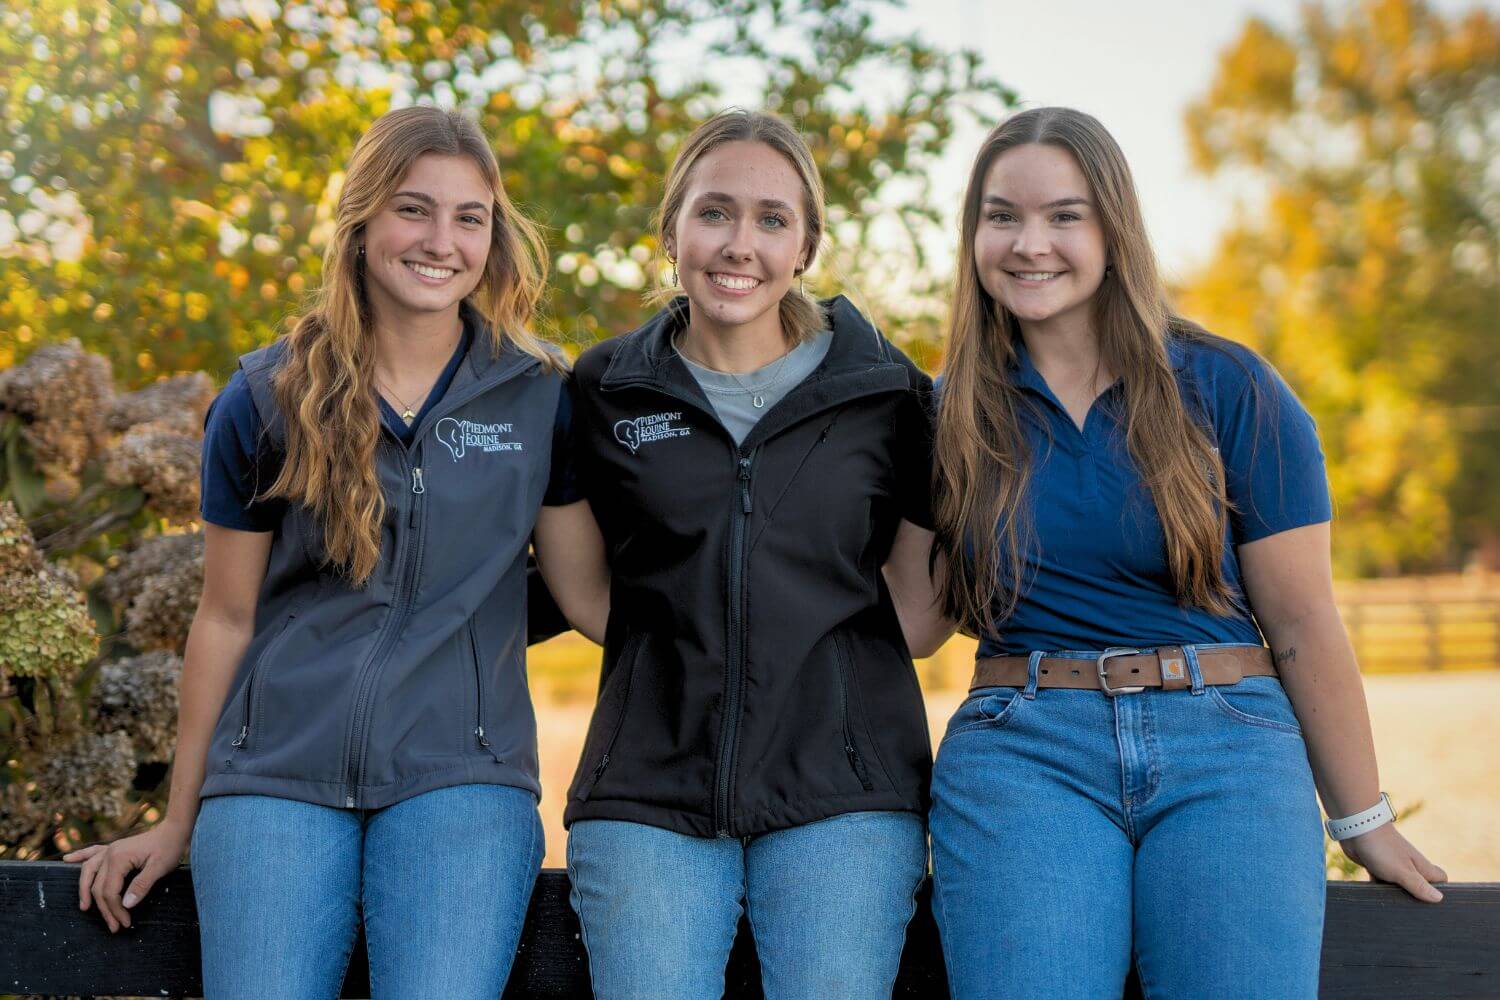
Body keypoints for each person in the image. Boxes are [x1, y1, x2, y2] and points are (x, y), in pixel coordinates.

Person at [898, 106, 1447, 1000]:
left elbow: (1302, 620)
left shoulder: (1231, 386)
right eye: (1002, 217)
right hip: (1022, 755)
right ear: (974, 235)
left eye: (1064, 216)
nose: (1030, 244)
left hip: (1227, 746)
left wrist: (1362, 819)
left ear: (1115, 228)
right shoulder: (942, 410)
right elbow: (916, 624)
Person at [65, 105, 605, 998]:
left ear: (494, 238)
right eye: (413, 209)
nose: (441, 241)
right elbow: (225, 618)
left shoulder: (540, 397)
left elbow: (590, 599)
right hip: (272, 775)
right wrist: (176, 819)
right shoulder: (265, 396)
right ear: (360, 222)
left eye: (469, 218)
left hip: (462, 775)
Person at [543, 109, 936, 999]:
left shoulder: (888, 393)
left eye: (771, 219)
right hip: (648, 788)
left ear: (805, 246)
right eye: (714, 212)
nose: (739, 244)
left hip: (844, 795)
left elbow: (916, 612)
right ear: (672, 231)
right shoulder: (603, 388)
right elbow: (587, 591)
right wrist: (672, 656)